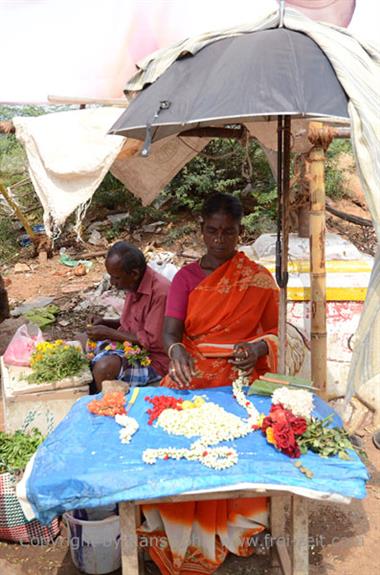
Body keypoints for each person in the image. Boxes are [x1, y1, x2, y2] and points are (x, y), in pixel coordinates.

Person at [138, 193, 279, 575]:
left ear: (240, 233)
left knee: (238, 443)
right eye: (212, 231)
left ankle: (232, 522)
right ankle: (179, 524)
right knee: (175, 439)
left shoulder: (258, 279)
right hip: (192, 373)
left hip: (239, 376)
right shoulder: (184, 278)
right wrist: (178, 351)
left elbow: (274, 335)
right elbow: (171, 333)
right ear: (201, 229)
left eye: (228, 232)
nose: (219, 240)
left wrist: (256, 347)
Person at [86, 241, 170, 392]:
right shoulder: (134, 283)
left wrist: (108, 332)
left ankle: (105, 407)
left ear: (134, 274)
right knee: (81, 340)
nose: (112, 283)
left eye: (116, 278)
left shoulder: (161, 292)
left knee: (104, 368)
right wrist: (105, 323)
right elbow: (132, 324)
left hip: (154, 361)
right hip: (129, 347)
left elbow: (151, 341)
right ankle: (91, 391)